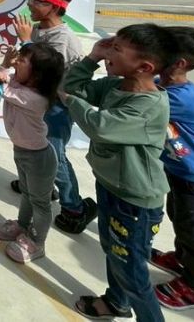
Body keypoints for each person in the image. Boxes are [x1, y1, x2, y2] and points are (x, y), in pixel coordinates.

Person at [62, 24, 176, 321]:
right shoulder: (116, 86)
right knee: (114, 250)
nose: (109, 51)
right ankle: (116, 302)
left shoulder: (148, 106)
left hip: (135, 201)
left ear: (145, 67)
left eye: (116, 49)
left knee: (132, 270)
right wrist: (92, 58)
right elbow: (75, 87)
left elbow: (100, 126)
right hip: (111, 186)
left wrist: (71, 102)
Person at [13, 0, 96, 234]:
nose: (30, 4)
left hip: (57, 106)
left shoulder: (63, 39)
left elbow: (45, 73)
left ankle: (74, 207)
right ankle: (43, 187)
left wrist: (26, 43)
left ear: (55, 7)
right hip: (41, 102)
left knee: (55, 156)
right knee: (34, 148)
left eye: (38, 1)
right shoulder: (39, 31)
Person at [151, 26, 194, 311]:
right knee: (178, 218)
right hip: (179, 172)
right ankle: (181, 259)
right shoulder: (160, 83)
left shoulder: (181, 97)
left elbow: (140, 98)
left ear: (179, 63)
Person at [0, 43, 65, 263]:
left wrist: (3, 69)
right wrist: (6, 67)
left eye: (22, 60)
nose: (16, 62)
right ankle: (22, 226)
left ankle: (36, 242)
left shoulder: (35, 99)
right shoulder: (20, 85)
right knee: (27, 193)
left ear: (37, 75)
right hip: (22, 151)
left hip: (39, 158)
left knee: (40, 203)